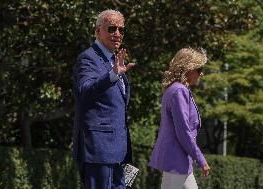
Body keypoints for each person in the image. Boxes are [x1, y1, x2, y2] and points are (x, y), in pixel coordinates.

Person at [72, 9, 135, 189]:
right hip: (98, 150)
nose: (117, 34)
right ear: (98, 31)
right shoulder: (88, 58)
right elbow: (85, 89)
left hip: (119, 151)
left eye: (121, 30)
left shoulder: (114, 61)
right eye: (112, 28)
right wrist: (113, 75)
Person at [148, 47, 210, 189]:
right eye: (199, 70)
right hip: (176, 160)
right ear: (188, 68)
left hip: (180, 160)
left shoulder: (175, 89)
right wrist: (200, 159)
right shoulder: (179, 91)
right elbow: (183, 132)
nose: (201, 74)